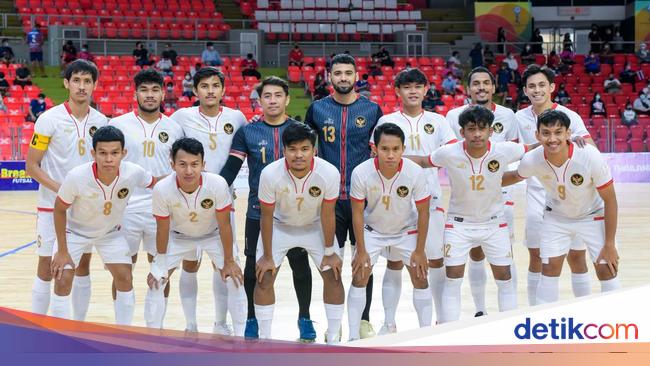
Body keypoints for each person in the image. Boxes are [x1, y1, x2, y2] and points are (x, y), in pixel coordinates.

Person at [409, 105, 531, 322]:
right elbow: (422, 161)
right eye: (471, 129)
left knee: (504, 278)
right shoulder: (449, 152)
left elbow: (534, 148)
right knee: (453, 279)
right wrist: (389, 156)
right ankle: (451, 333)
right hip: (458, 226)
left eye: (482, 129)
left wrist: (563, 142)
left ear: (490, 131)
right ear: (462, 131)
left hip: (495, 225)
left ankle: (509, 332)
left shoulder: (504, 150)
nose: (477, 134)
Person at [220, 76, 317, 341]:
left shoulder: (300, 130)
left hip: (293, 210)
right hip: (256, 210)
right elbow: (231, 167)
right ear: (259, 101)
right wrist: (214, 189)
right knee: (255, 266)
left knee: (300, 264)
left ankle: (305, 317)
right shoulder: (248, 131)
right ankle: (252, 316)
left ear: (286, 99)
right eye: (267, 96)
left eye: (277, 95)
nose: (272, 100)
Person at [504, 110, 621, 304]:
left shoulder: (589, 155)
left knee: (606, 268)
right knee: (549, 269)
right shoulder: (532, 159)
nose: (552, 139)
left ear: (568, 134)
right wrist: (488, 179)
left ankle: (613, 325)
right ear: (537, 135)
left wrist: (609, 244)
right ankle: (544, 324)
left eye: (558, 132)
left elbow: (610, 200)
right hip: (556, 217)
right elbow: (515, 176)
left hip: (593, 215)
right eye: (546, 133)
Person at [372, 68, 457, 331]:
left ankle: (442, 320)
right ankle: (389, 322)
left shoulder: (439, 121)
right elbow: (376, 157)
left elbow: (452, 152)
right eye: (406, 86)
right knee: (394, 261)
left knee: (435, 260)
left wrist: (421, 162)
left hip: (430, 200)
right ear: (397, 91)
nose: (412, 91)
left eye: (417, 86)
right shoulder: (387, 120)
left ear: (426, 89)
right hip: (395, 204)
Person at [305, 53, 383, 339]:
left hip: (363, 198)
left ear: (356, 76)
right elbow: (302, 143)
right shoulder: (316, 109)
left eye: (348, 73)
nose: (343, 78)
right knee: (331, 261)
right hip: (328, 200)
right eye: (337, 73)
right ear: (329, 77)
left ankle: (363, 320)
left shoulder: (373, 109)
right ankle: (334, 324)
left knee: (365, 260)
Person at [26, 59, 108, 319]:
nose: (81, 87)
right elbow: (31, 165)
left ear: (94, 85)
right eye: (76, 80)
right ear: (66, 83)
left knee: (82, 265)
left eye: (87, 81)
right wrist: (61, 189)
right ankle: (37, 328)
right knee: (46, 267)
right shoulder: (48, 119)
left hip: (86, 209)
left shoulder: (103, 122)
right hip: (51, 206)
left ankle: (78, 325)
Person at [170, 67, 249, 333]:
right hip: (187, 199)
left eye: (216, 85)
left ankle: (220, 322)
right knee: (190, 263)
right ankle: (191, 324)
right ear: (195, 91)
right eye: (204, 86)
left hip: (224, 198)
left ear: (224, 90)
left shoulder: (237, 117)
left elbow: (243, 150)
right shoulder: (182, 116)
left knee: (222, 263)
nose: (210, 90)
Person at [50, 126, 155, 324]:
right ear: (93, 153)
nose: (109, 159)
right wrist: (62, 251)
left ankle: (122, 335)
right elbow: (59, 209)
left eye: (114, 153)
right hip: (75, 232)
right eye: (103, 153)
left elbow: (155, 182)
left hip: (110, 233)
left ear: (123, 153)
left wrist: (184, 177)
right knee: (62, 278)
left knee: (125, 278)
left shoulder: (133, 172)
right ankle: (61, 336)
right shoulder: (77, 176)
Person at [253, 124, 344, 343]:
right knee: (264, 278)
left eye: (305, 149)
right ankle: (265, 339)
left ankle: (332, 337)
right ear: (284, 151)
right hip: (279, 226)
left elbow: (329, 213)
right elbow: (266, 216)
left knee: (333, 274)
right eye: (292, 149)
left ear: (314, 150)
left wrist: (330, 251)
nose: (299, 155)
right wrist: (266, 256)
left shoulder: (329, 173)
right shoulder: (270, 174)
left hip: (315, 226)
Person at [108, 69, 184, 328]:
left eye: (155, 90)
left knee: (160, 270)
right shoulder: (118, 124)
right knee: (122, 269)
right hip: (125, 207)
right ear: (135, 93)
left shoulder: (175, 127)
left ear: (164, 93)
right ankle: (123, 329)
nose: (149, 95)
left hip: (162, 207)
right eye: (144, 90)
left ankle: (155, 328)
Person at [147, 137, 246, 334]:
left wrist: (229, 260)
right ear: (172, 164)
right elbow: (162, 228)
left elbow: (225, 225)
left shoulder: (217, 184)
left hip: (213, 235)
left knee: (235, 278)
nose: (189, 171)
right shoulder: (162, 189)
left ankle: (240, 335)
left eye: (195, 164)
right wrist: (160, 262)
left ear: (203, 164)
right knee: (156, 282)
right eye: (182, 164)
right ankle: (155, 335)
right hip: (177, 237)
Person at [515, 65, 596, 306]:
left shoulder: (569, 115)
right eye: (532, 86)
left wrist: (571, 141)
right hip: (538, 194)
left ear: (551, 87)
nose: (537, 90)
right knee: (537, 255)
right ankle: (535, 313)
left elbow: (591, 149)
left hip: (571, 196)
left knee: (577, 257)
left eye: (542, 85)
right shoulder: (518, 118)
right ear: (525, 90)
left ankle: (583, 311)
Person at [445, 67, 520, 317]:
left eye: (486, 83)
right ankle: (479, 310)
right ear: (468, 88)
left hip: (500, 199)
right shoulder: (454, 115)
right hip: (467, 201)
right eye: (475, 83)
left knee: (504, 259)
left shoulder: (508, 115)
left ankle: (508, 315)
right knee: (474, 255)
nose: (481, 88)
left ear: (493, 87)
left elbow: (516, 152)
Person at [348, 123, 432, 339]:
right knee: (359, 276)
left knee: (421, 277)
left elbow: (423, 212)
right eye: (385, 149)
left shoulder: (415, 172)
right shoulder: (361, 172)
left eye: (396, 149)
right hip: (372, 230)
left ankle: (426, 335)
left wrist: (420, 250)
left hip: (406, 231)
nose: (391, 154)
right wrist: (361, 249)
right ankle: (353, 336)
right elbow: (357, 213)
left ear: (403, 148)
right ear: (375, 148)